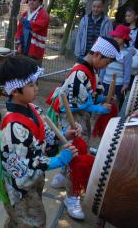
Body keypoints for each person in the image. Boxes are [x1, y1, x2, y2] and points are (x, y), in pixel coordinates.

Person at [0, 55, 79, 228]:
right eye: (31, 85)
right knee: (32, 222)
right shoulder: (13, 128)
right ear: (15, 90)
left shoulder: (33, 109)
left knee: (20, 221)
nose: (37, 88)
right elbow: (21, 170)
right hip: (20, 189)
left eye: (36, 83)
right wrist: (58, 161)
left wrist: (65, 135)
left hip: (31, 183)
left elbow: (44, 140)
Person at [48, 36, 121, 220]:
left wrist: (102, 100)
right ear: (97, 55)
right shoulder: (79, 73)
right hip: (72, 121)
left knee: (73, 153)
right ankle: (72, 196)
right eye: (107, 61)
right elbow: (74, 104)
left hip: (79, 119)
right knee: (78, 155)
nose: (107, 65)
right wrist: (97, 108)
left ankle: (63, 176)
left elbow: (90, 96)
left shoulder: (91, 71)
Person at [100, 26, 132, 108]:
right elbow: (104, 65)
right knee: (103, 102)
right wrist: (101, 79)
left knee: (114, 104)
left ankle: (112, 119)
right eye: (114, 36)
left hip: (118, 84)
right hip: (106, 81)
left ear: (124, 39)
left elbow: (127, 69)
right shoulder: (110, 49)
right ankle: (103, 119)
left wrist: (125, 83)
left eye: (119, 37)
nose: (116, 39)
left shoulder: (127, 53)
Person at [15, 0, 50, 66]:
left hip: (35, 49)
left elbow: (36, 26)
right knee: (22, 71)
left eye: (34, 0)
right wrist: (18, 40)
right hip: (23, 46)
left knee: (33, 72)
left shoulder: (43, 14)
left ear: (40, 2)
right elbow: (19, 30)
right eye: (30, 0)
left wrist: (23, 20)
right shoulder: (25, 14)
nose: (31, 2)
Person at [125, 7, 138, 81]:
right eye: (126, 16)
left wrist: (135, 51)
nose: (127, 17)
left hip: (134, 56)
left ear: (136, 16)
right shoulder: (123, 28)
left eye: (129, 16)